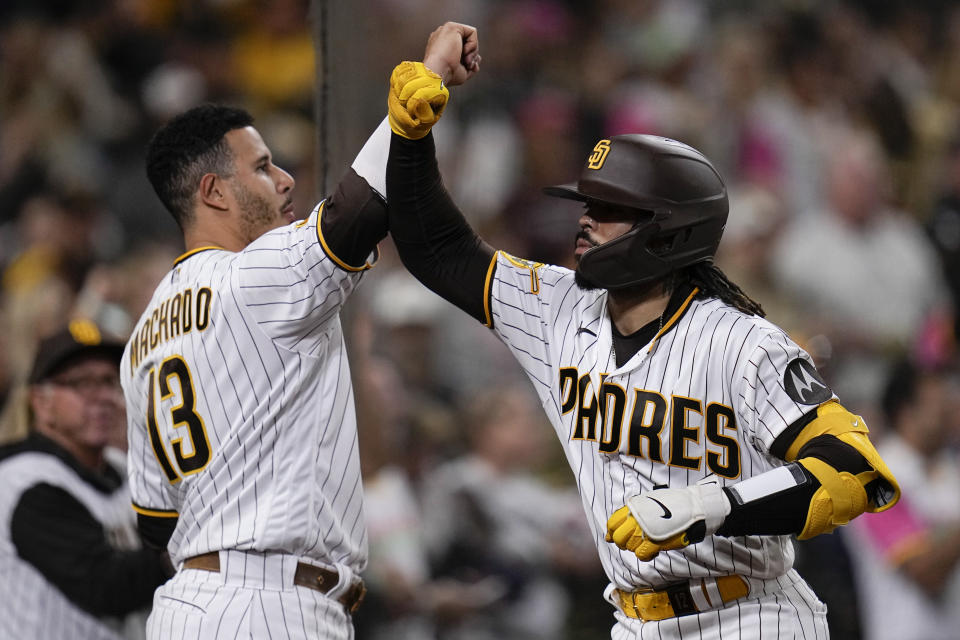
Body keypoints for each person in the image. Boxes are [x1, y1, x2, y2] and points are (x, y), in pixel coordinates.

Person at [383, 56, 901, 637]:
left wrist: (711, 509)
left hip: (748, 613)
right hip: (633, 620)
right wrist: (409, 138)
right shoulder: (558, 307)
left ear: (668, 231)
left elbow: (857, 471)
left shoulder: (742, 342)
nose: (585, 222)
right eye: (587, 204)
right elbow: (439, 250)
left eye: (609, 210)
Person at [120, 23, 479, 640]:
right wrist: (431, 77)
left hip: (184, 606)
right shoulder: (250, 278)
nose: (285, 180)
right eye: (262, 167)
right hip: (271, 604)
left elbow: (155, 520)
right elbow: (359, 211)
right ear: (214, 192)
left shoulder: (142, 340)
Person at [0, 318, 170, 640]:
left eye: (108, 381)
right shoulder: (21, 480)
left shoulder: (121, 466)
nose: (102, 396)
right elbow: (108, 586)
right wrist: (181, 548)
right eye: (82, 384)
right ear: (41, 402)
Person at [848, 357, 960, 640]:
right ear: (905, 413)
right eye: (938, 404)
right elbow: (925, 572)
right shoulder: (878, 479)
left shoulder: (949, 470)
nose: (950, 410)